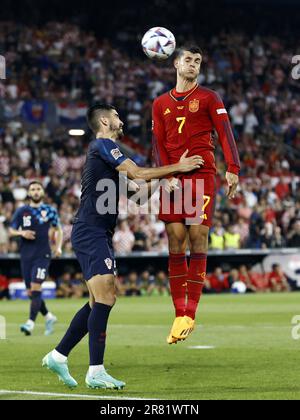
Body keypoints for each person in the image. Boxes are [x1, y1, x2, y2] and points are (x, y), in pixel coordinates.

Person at [42, 103, 204, 390]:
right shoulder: (103, 144)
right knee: (106, 298)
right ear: (104, 120)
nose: (120, 119)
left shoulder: (108, 159)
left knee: (97, 301)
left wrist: (166, 177)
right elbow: (139, 173)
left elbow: (139, 195)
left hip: (99, 233)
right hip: (90, 230)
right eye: (116, 115)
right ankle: (95, 370)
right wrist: (178, 166)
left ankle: (58, 355)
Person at [152, 45, 240, 344]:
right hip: (173, 177)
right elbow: (158, 144)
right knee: (175, 240)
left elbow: (225, 131)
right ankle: (179, 313)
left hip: (201, 174)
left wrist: (233, 166)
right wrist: (167, 173)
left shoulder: (208, 97)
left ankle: (191, 311)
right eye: (188, 60)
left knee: (197, 237)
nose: (193, 65)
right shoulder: (160, 103)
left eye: (198, 61)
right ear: (175, 63)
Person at [9, 182, 62, 336]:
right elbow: (11, 230)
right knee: (31, 292)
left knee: (36, 287)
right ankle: (49, 316)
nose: (36, 191)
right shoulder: (22, 211)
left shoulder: (49, 210)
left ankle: (30, 323)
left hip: (42, 255)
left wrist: (58, 247)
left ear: (43, 192)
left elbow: (58, 229)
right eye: (32, 189)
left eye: (38, 189)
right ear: (29, 193)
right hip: (25, 256)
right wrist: (21, 233)